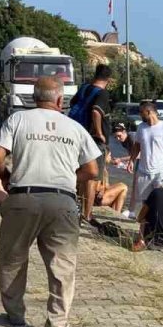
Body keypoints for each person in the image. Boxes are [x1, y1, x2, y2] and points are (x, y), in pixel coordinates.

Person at [0, 76, 101, 327]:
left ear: (34, 98)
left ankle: (15, 314)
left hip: (22, 197)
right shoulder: (74, 127)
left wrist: (5, 177)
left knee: (12, 259)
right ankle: (57, 326)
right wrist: (69, 181)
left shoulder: (18, 120)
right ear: (60, 100)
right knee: (62, 266)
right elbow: (92, 170)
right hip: (62, 201)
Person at [68, 64, 112, 223]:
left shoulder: (84, 88)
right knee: (92, 177)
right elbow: (95, 111)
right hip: (93, 141)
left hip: (77, 136)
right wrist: (99, 132)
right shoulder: (103, 93)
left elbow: (72, 104)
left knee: (80, 172)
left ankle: (75, 206)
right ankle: (87, 214)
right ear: (109, 80)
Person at [130, 100, 163, 210]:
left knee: (161, 199)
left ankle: (159, 223)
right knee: (145, 203)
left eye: (141, 112)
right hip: (143, 171)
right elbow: (137, 146)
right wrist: (131, 161)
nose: (140, 114)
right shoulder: (141, 127)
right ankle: (146, 225)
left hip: (160, 171)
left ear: (149, 112)